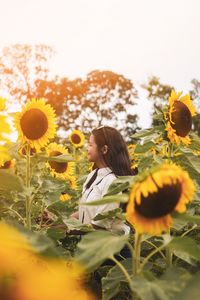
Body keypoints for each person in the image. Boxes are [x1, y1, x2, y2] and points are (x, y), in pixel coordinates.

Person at [70, 126, 134, 234]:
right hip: (92, 245)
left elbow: (99, 226)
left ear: (104, 149)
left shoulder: (113, 183)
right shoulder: (93, 175)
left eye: (90, 145)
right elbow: (86, 211)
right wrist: (56, 219)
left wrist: (68, 228)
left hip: (113, 248)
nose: (87, 148)